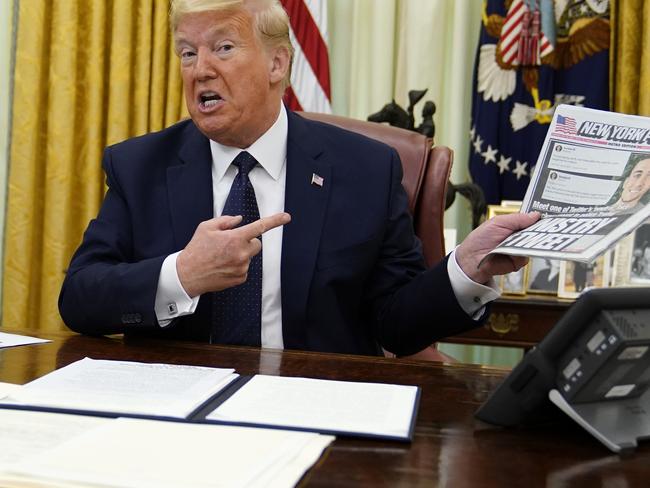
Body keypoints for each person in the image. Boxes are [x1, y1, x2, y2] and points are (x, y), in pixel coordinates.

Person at [58, 0, 538, 357]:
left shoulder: (366, 170)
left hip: (317, 410)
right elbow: (80, 299)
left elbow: (396, 324)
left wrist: (466, 269)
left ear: (278, 63)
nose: (200, 70)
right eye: (187, 53)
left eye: (223, 47)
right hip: (181, 417)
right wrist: (181, 275)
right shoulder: (140, 165)